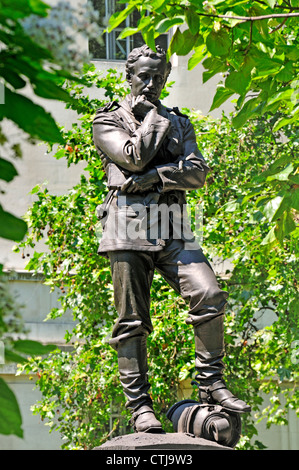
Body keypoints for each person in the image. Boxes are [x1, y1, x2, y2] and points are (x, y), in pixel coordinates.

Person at [93, 44, 250, 434]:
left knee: (209, 293)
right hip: (127, 226)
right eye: (143, 76)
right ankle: (140, 407)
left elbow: (197, 173)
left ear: (165, 79)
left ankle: (211, 384)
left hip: (173, 224)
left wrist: (156, 178)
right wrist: (154, 127)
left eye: (158, 78)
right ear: (128, 77)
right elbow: (132, 156)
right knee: (131, 321)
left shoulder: (179, 122)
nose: (150, 84)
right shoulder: (107, 120)